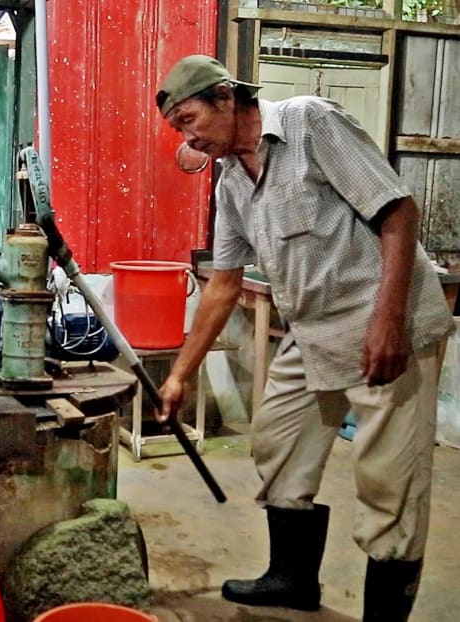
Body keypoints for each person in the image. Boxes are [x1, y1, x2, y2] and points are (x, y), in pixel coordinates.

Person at [154, 55, 455, 621]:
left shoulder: (309, 122)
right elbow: (222, 286)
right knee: (277, 443)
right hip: (313, 331)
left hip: (386, 323)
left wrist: (388, 322)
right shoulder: (231, 186)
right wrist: (178, 376)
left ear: (225, 97)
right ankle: (292, 579)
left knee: (390, 486)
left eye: (190, 120)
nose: (189, 139)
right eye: (179, 130)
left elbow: (398, 212)